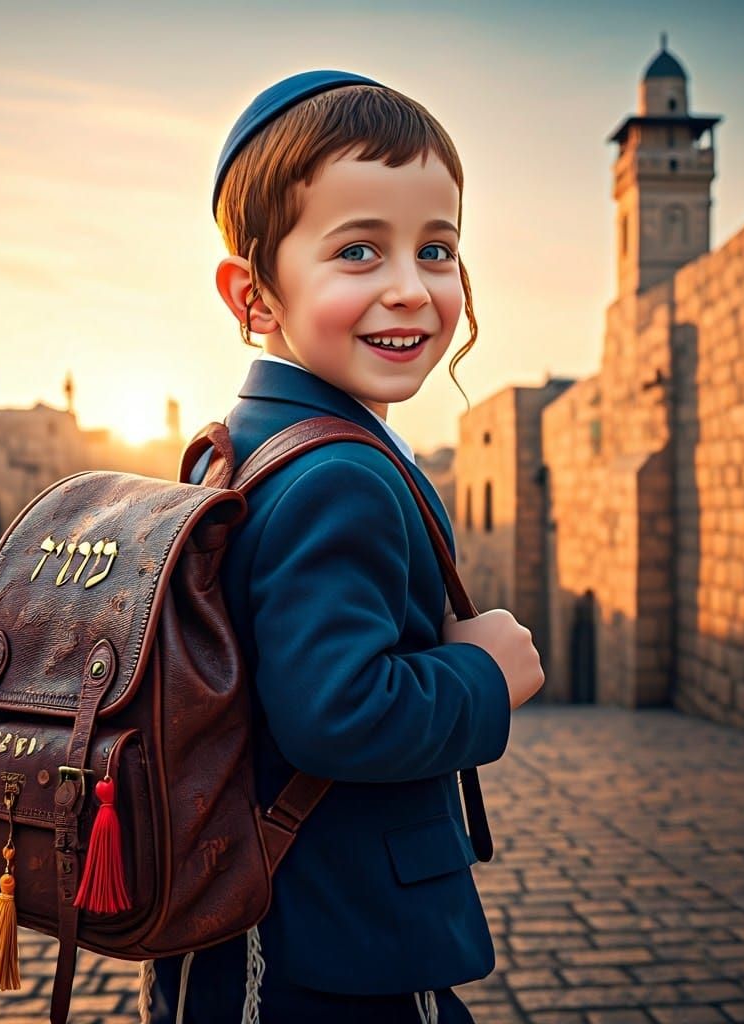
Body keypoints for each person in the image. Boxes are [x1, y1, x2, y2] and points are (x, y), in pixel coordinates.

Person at [146, 70, 545, 1024]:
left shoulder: (242, 442)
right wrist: (486, 675)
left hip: (241, 926)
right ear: (255, 292)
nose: (411, 290)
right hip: (334, 946)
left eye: (437, 249)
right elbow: (339, 713)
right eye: (359, 250)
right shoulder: (340, 475)